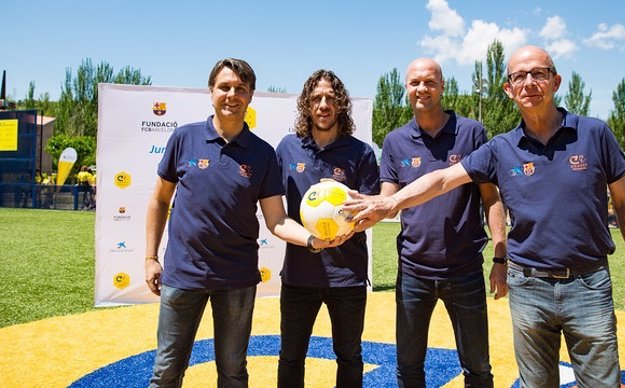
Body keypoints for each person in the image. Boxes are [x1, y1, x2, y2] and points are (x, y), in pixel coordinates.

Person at [346, 46, 625, 388]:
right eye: (519, 76)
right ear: (508, 89)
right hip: (528, 287)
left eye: (539, 73)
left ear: (556, 81)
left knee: (599, 383)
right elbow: (443, 178)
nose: (529, 83)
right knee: (536, 383)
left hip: (587, 282)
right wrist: (389, 204)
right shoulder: (501, 148)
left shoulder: (594, 133)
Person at [144, 58, 346, 388]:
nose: (232, 95)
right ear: (211, 92)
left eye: (240, 89)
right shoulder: (184, 138)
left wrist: (313, 240)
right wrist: (150, 258)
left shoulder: (263, 153)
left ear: (251, 95)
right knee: (166, 370)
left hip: (236, 279)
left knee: (233, 372)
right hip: (183, 274)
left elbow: (277, 219)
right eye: (224, 87)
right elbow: (159, 199)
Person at [374, 57, 507, 388]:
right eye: (415, 82)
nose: (422, 88)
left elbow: (491, 198)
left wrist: (501, 257)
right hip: (413, 271)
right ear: (406, 87)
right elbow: (388, 202)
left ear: (443, 86)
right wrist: (358, 203)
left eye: (430, 82)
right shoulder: (395, 141)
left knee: (477, 367)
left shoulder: (472, 133)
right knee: (408, 367)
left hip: (464, 270)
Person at [274, 69, 379, 388]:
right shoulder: (288, 148)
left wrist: (351, 211)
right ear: (306, 104)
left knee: (349, 357)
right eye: (316, 98)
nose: (323, 105)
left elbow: (372, 211)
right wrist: (311, 239)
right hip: (299, 274)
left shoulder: (361, 152)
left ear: (341, 105)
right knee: (291, 356)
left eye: (330, 99)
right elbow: (275, 212)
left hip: (346, 275)